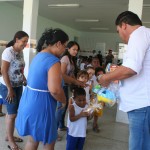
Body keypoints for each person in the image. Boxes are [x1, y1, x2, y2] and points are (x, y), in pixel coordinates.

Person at [98, 11, 150, 150]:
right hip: (143, 103)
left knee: (139, 145)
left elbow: (131, 69)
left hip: (141, 104)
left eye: (118, 31)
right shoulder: (145, 35)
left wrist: (105, 77)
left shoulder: (138, 35)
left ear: (124, 25)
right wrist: (119, 71)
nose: (120, 35)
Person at [15, 28, 68, 150]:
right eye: (65, 46)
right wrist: (64, 100)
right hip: (42, 105)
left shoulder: (40, 55)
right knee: (48, 141)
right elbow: (55, 90)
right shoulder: (53, 61)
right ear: (58, 43)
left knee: (33, 139)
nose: (65, 49)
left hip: (29, 100)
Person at [0, 31, 28, 150]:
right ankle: (11, 142)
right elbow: (4, 71)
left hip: (18, 85)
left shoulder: (20, 51)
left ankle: (8, 135)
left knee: (12, 113)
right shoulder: (8, 52)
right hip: (8, 87)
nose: (25, 44)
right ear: (17, 39)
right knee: (12, 114)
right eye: (24, 41)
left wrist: (24, 78)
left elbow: (20, 68)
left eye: (26, 42)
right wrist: (10, 89)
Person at [56, 41, 84, 133]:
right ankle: (54, 131)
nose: (76, 51)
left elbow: (70, 74)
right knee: (61, 107)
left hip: (66, 85)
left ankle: (61, 125)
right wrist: (75, 81)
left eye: (77, 50)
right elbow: (62, 74)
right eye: (74, 49)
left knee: (64, 106)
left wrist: (77, 81)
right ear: (68, 49)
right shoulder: (65, 58)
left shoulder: (71, 59)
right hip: (61, 85)